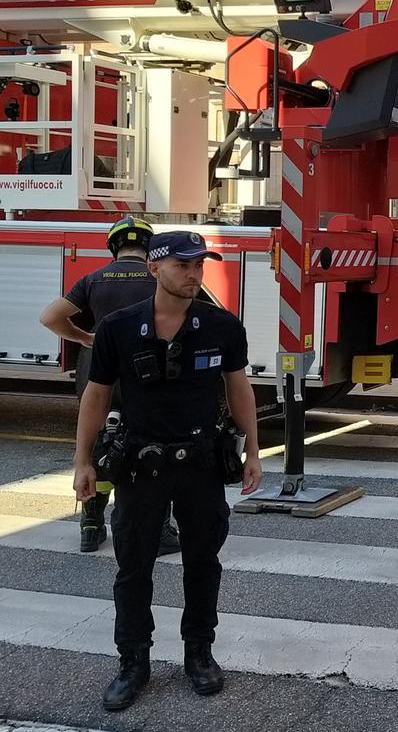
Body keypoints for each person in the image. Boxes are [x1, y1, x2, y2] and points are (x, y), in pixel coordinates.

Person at [71, 230, 263, 712]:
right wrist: (82, 460)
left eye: (199, 265)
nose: (194, 274)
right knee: (133, 568)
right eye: (183, 265)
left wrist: (255, 451)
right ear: (154, 269)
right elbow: (95, 396)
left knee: (203, 562)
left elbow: (239, 389)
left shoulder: (222, 326)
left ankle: (199, 653)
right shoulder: (117, 327)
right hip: (140, 465)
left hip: (200, 463)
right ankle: (133, 662)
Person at [39, 216, 180, 556]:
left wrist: (86, 338)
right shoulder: (157, 277)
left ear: (114, 246)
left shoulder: (93, 279)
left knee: (100, 447)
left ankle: (91, 524)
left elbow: (50, 317)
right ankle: (159, 529)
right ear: (149, 247)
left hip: (98, 375)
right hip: (145, 377)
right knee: (157, 447)